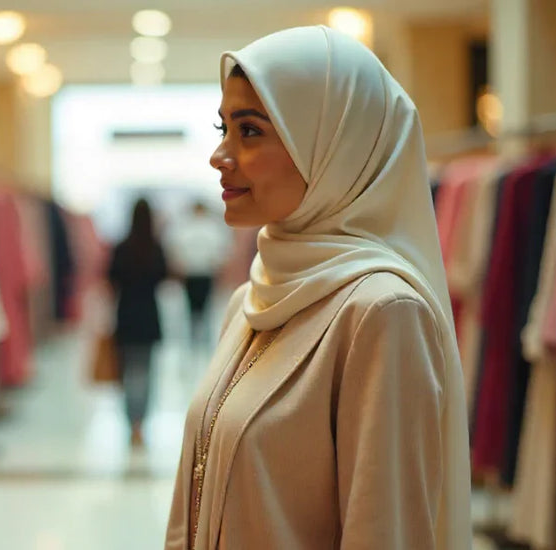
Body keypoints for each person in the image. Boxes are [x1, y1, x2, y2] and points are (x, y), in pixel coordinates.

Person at [164, 26, 471, 549]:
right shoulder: (251, 299)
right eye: (223, 128)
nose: (220, 155)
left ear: (334, 146)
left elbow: (385, 532)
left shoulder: (381, 312)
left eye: (251, 131)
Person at [108, 198, 168, 448]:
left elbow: (110, 278)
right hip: (149, 315)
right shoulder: (155, 247)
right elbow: (164, 276)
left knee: (128, 371)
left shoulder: (121, 247)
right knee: (145, 371)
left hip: (126, 315)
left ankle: (131, 422)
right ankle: (140, 423)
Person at [165, 202, 230, 345]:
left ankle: (198, 338)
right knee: (197, 310)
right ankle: (198, 338)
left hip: (200, 273)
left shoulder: (203, 227)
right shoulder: (204, 228)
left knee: (200, 310)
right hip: (197, 273)